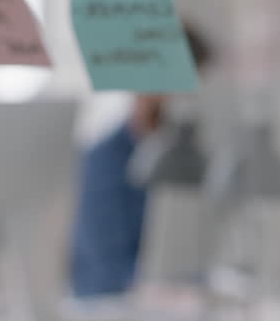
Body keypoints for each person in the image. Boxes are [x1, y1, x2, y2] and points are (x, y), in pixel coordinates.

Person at [68, 23, 211, 299]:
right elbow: (107, 269)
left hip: (169, 308)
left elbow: (191, 249)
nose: (190, 98)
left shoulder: (188, 158)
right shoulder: (104, 160)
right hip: (110, 311)